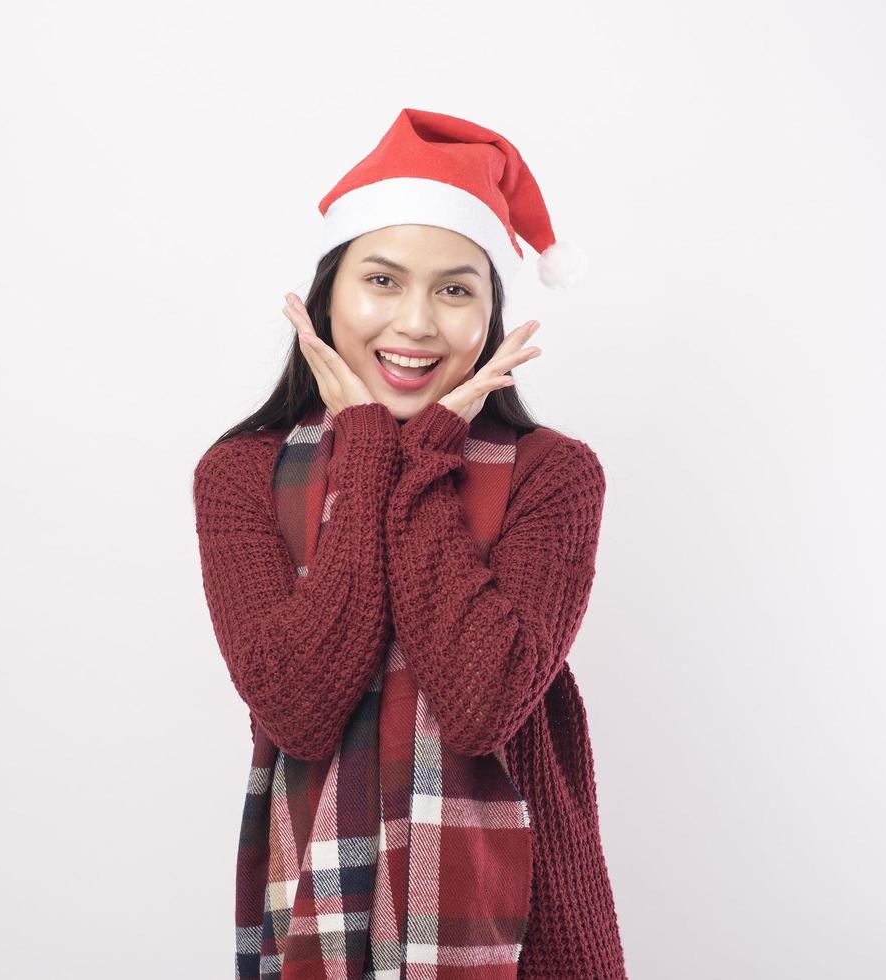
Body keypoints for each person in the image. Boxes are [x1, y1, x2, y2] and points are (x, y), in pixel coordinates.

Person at [193, 108, 628, 979]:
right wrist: (369, 447)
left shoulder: (555, 476)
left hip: (526, 936)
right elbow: (299, 706)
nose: (417, 323)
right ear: (327, 295)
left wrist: (417, 460)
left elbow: (482, 703)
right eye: (383, 281)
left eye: (455, 289)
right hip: (315, 915)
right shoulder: (241, 475)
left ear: (492, 314)